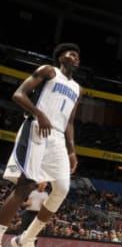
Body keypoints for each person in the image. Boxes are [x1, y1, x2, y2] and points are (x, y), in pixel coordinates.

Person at [0, 43, 82, 247]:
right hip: (37, 128)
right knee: (25, 186)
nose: (75, 57)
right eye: (71, 54)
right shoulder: (48, 70)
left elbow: (70, 122)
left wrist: (72, 151)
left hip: (58, 138)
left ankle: (25, 239)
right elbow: (19, 94)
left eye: (77, 56)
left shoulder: (78, 89)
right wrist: (39, 113)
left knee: (62, 189)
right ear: (61, 58)